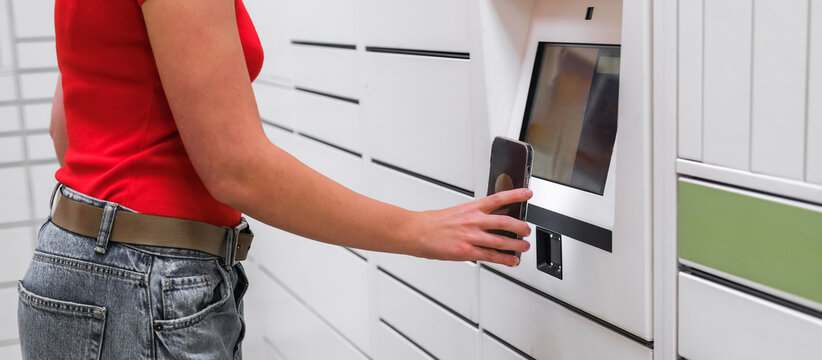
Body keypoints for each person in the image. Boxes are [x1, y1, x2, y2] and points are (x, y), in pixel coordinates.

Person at [17, 0, 533, 358]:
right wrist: (421, 230)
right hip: (144, 282)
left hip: (73, 262)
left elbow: (66, 127)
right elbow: (235, 169)